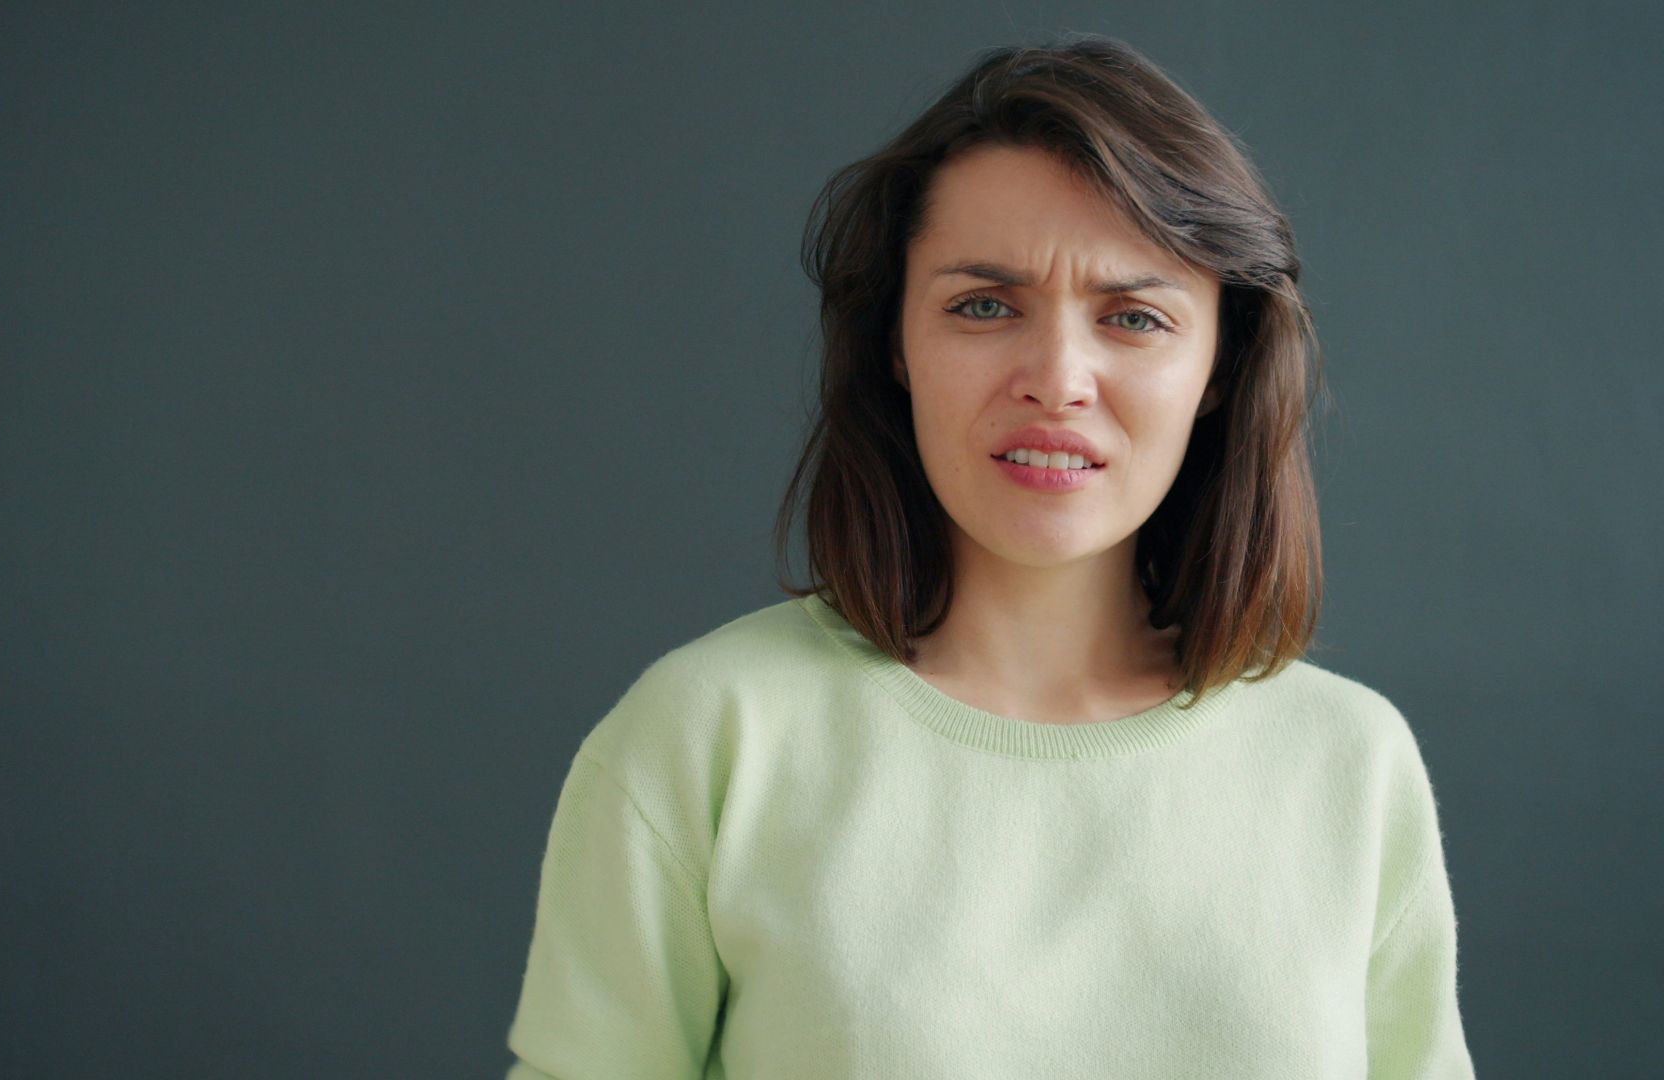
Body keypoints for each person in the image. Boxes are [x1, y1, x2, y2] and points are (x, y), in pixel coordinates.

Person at [503, 33, 1474, 1079]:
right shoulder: (709, 736)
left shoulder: (1350, 763)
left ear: (1221, 368)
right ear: (895, 343)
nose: (1057, 378)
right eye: (983, 306)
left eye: (1134, 317)